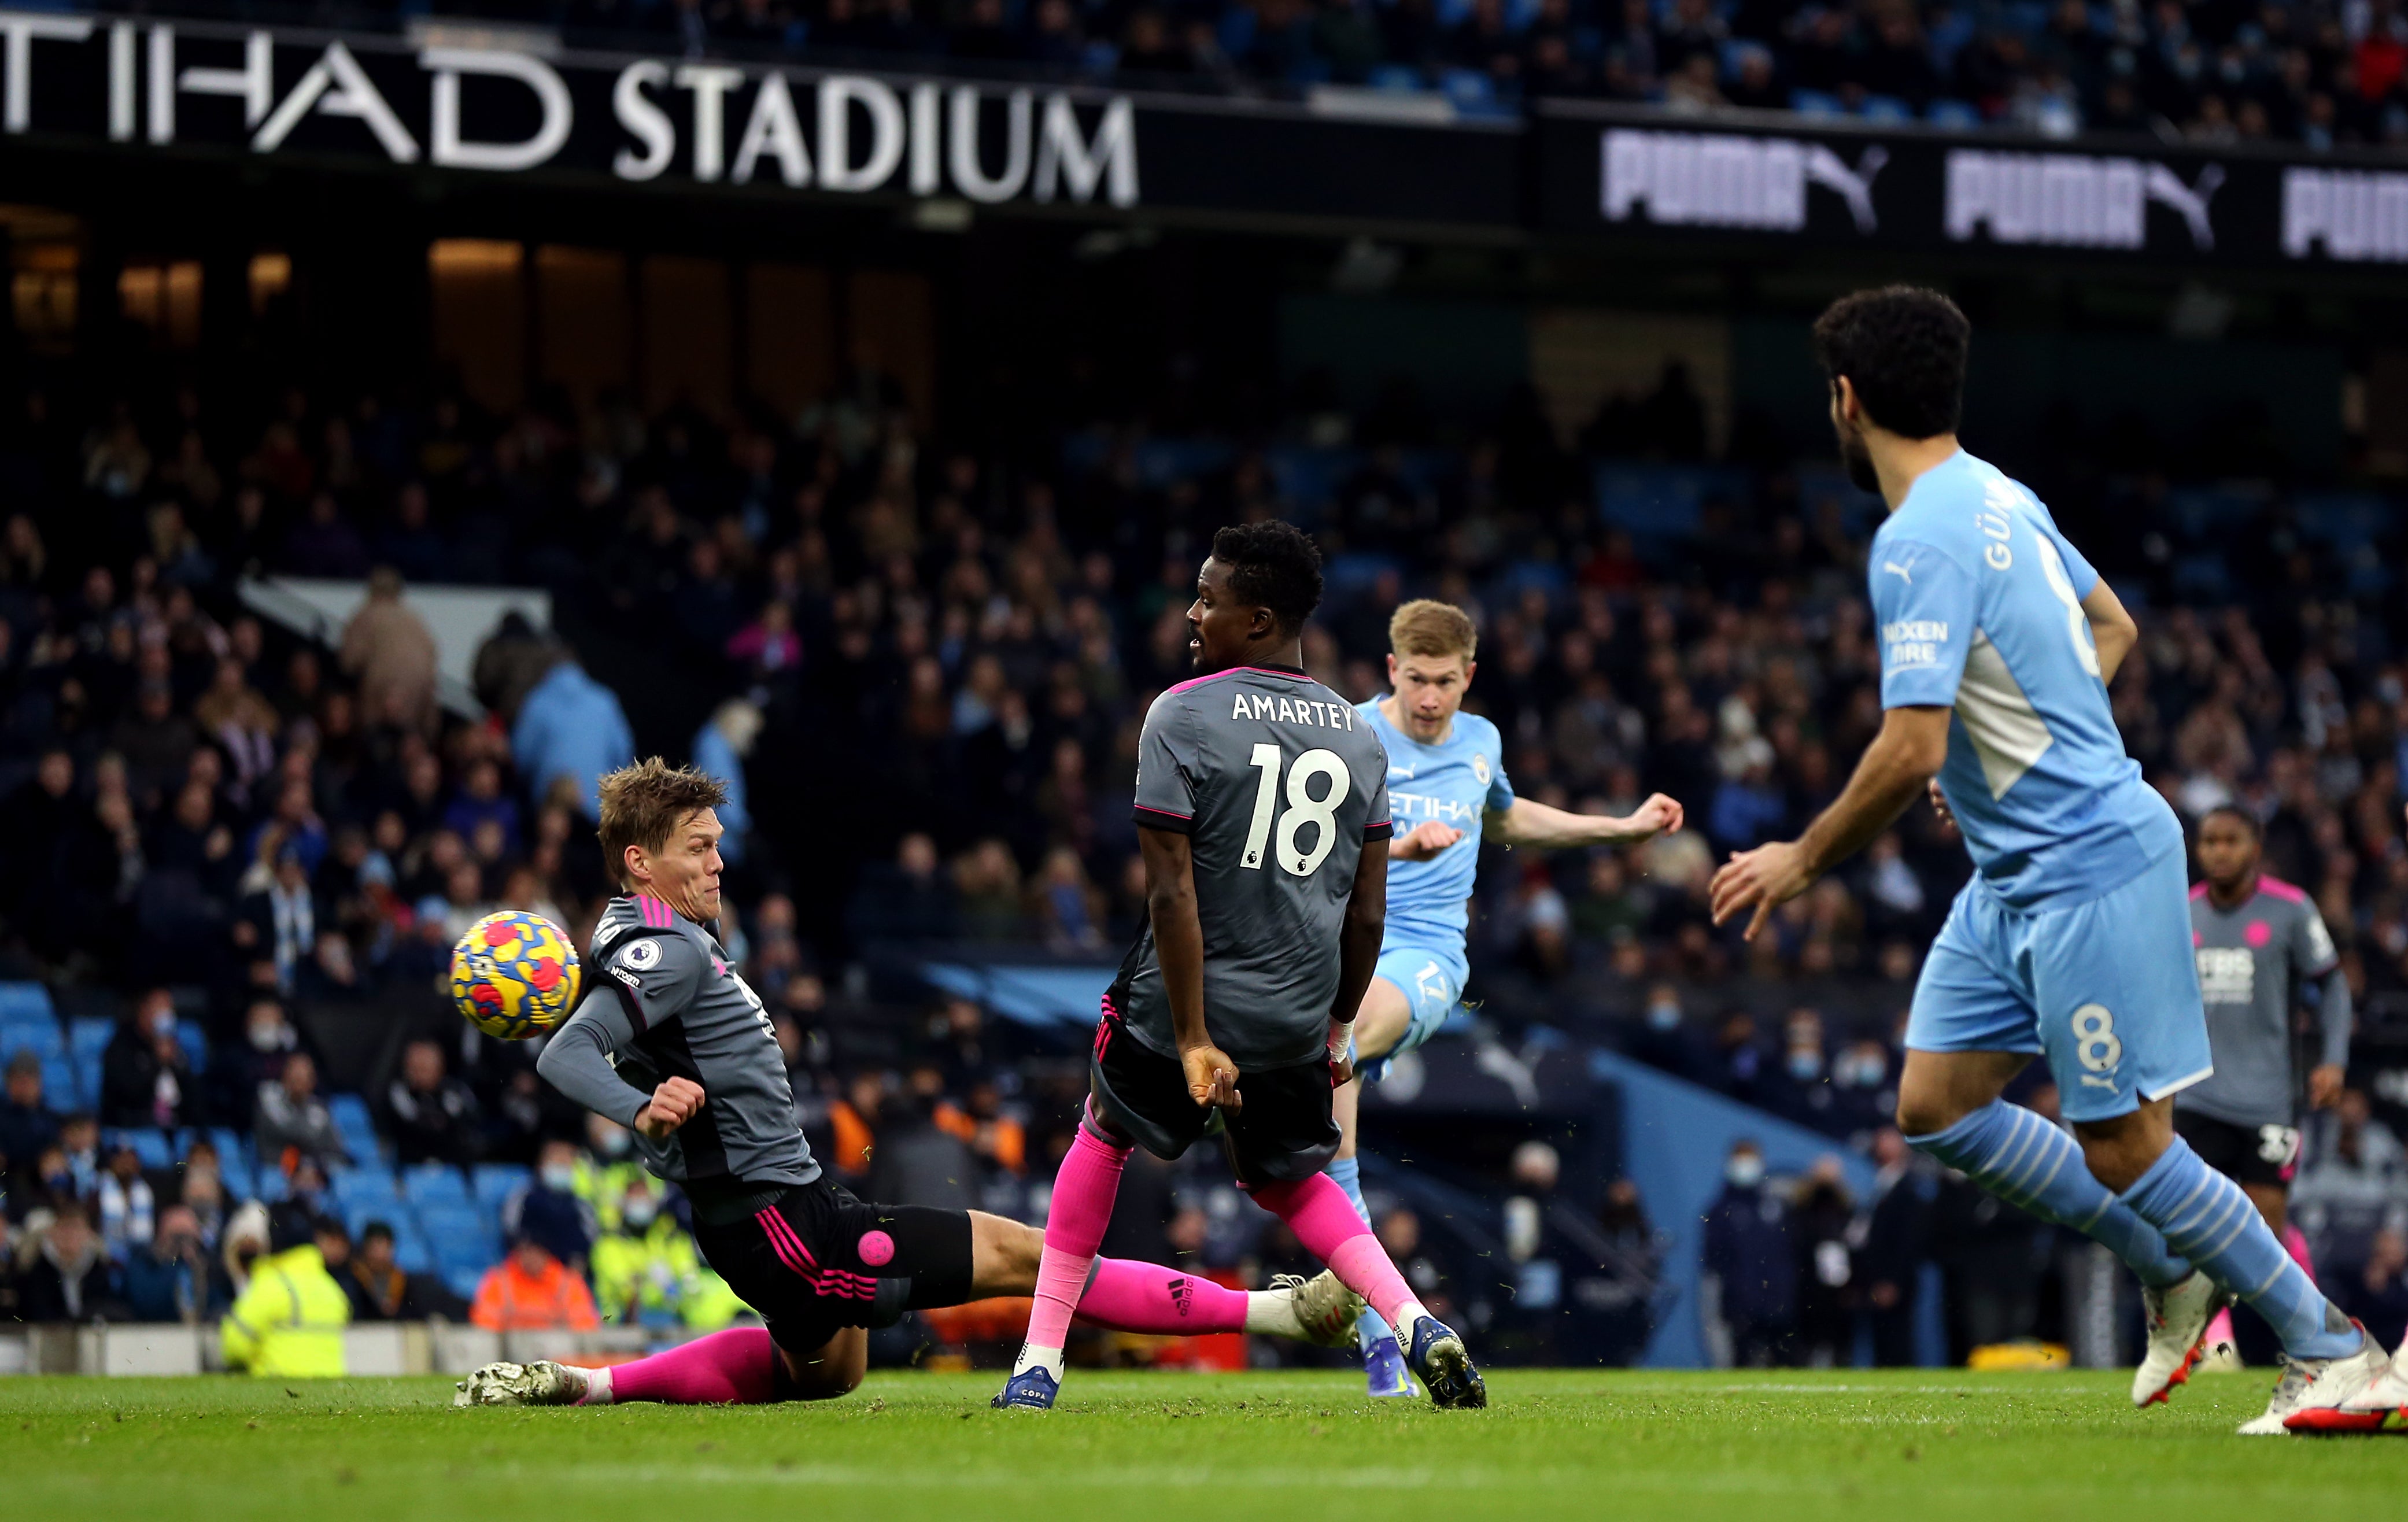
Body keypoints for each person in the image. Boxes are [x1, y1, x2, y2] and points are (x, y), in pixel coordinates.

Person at [1706, 286, 2384, 1435]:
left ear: (1848, 398)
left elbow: (1909, 738)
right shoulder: (2001, 495)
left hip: (2086, 863)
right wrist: (1997, 748)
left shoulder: (1914, 535)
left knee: (2127, 1144)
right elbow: (2109, 624)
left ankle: (2336, 1352)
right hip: (2013, 873)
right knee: (1936, 1103)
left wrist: (1802, 859)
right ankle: (2172, 1269)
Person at [456, 756, 1360, 1411]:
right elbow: (566, 1054)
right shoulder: (661, 949)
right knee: (1033, 1257)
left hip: (764, 1219)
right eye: (696, 849)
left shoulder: (643, 941)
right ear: (640, 864)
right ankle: (1282, 1312)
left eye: (718, 845)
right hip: (787, 1222)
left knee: (830, 1376)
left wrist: (658, 1104)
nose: (717, 864)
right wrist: (643, 1109)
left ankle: (584, 1386)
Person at [999, 521, 1486, 1413]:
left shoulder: (1181, 712)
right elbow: (1368, 912)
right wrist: (1337, 1029)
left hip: (1181, 1005)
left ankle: (1038, 1362)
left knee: (1103, 1133)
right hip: (1294, 1015)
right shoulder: (1359, 737)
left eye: (1208, 598)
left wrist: (1190, 1038)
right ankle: (1418, 1322)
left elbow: (1172, 898)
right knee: (1294, 1181)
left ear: (1258, 620)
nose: (1192, 613)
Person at [1325, 597, 1683, 1394]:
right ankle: (1381, 1336)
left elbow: (1509, 819)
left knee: (1335, 1045)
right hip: (1341, 946)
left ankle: (1380, 1338)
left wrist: (1619, 831)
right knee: (1329, 1136)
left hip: (1423, 960)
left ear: (1469, 677)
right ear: (1390, 669)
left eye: (1444, 682)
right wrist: (1398, 849)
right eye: (1415, 679)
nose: (1428, 698)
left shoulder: (1481, 741)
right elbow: (1312, 843)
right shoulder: (1349, 733)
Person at [2182, 804, 2351, 1368]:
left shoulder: (2290, 909)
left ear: (2255, 846)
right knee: (2190, 1225)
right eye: (2210, 841)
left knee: (2267, 1229)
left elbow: (2333, 988)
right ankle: (2215, 1342)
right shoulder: (2182, 914)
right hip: (2196, 1096)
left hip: (2267, 1100)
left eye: (2231, 840)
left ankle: (2313, 1334)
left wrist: (2333, 1059)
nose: (2219, 851)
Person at [220, 1206, 350, 1376]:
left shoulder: (271, 1284)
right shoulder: (332, 1288)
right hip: (332, 1390)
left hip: (277, 1386)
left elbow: (234, 1347)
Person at [1700, 1140, 1794, 1367]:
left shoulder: (1775, 1206)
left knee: (1783, 1366)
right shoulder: (1720, 1210)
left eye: (1750, 1159)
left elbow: (1789, 1252)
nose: (1746, 1166)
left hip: (1777, 1304)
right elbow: (1714, 1261)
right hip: (1740, 1304)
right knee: (1741, 1363)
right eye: (1741, 1160)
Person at [470, 1233, 602, 1332]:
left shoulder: (569, 1283)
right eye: (526, 1250)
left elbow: (587, 1325)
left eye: (537, 1251)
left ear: (547, 1253)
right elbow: (483, 1324)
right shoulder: (498, 1281)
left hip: (559, 1360)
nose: (531, 1257)